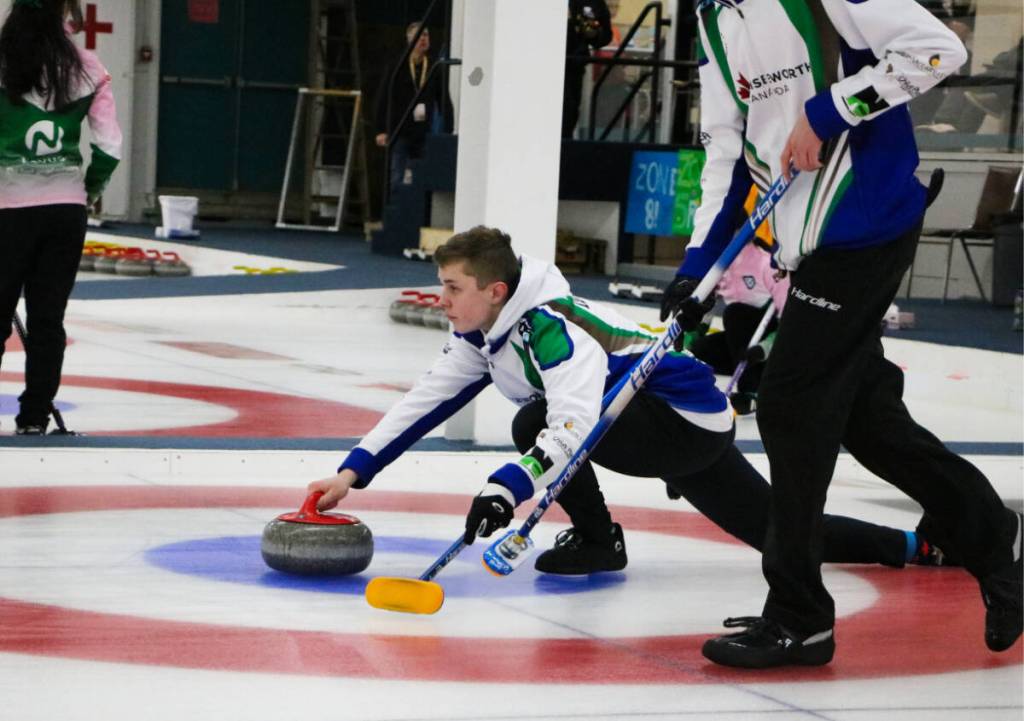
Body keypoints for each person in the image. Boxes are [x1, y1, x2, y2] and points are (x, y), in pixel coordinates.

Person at [660, 0, 1022, 668]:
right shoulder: (713, 20)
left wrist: (828, 112)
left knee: (791, 406)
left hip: (864, 225)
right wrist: (697, 268)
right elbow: (728, 152)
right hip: (802, 244)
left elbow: (938, 50)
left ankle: (800, 615)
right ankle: (989, 532)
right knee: (867, 419)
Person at [307, 226, 947, 585]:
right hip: (641, 423)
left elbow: (573, 426)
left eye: (452, 287)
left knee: (534, 420)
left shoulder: (553, 329)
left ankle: (596, 539)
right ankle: (921, 546)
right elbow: (424, 402)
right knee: (774, 532)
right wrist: (350, 472)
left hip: (683, 422)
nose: (440, 298)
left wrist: (506, 489)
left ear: (496, 290)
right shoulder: (483, 332)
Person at [0, 0, 121, 435]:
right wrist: (86, 191)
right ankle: (34, 417)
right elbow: (109, 148)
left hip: (7, 211)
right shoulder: (88, 67)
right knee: (48, 319)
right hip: (64, 212)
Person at [374, 22, 451, 191]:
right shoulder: (397, 65)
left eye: (426, 35)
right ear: (409, 39)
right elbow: (383, 97)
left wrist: (448, 129)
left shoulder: (434, 67)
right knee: (397, 176)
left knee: (422, 176)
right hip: (400, 129)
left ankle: (419, 213)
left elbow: (444, 99)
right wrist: (380, 129)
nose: (423, 39)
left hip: (423, 131)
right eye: (419, 35)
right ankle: (397, 212)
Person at [564, 0, 612, 137]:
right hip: (540, 64)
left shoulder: (592, 2)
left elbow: (605, 36)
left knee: (569, 111)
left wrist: (594, 34)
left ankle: (565, 151)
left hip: (573, 67)